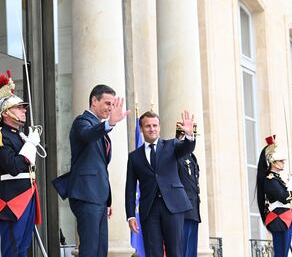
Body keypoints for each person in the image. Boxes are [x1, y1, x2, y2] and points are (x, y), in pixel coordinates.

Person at [65, 84, 130, 257]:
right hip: (86, 195)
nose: (110, 108)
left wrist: (106, 199)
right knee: (90, 249)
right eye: (107, 103)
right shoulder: (82, 122)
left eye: (113, 105)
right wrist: (109, 124)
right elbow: (88, 134)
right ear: (94, 101)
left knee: (100, 250)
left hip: (98, 197)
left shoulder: (99, 127)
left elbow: (100, 166)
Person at [0, 69, 41, 257]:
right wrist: (31, 145)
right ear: (6, 112)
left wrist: (28, 141)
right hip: (12, 199)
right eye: (19, 108)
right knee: (13, 250)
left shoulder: (19, 136)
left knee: (24, 248)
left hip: (27, 195)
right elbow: (14, 167)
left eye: (24, 107)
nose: (24, 110)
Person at [125, 111, 195, 257]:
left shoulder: (172, 145)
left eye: (155, 125)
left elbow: (187, 148)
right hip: (149, 209)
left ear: (159, 127)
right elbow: (130, 188)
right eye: (148, 126)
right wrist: (131, 215)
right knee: (152, 252)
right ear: (141, 128)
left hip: (173, 206)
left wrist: (189, 136)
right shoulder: (134, 156)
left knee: (175, 251)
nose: (152, 129)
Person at [256, 135, 292, 257]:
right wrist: (291, 186)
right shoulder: (270, 180)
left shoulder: (277, 179)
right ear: (272, 162)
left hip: (284, 219)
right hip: (279, 219)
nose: (283, 162)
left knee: (283, 254)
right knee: (280, 254)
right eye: (280, 161)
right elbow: (284, 198)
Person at [176, 124, 201, 257]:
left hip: (194, 208)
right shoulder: (176, 156)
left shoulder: (192, 157)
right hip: (182, 209)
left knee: (191, 250)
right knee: (182, 249)